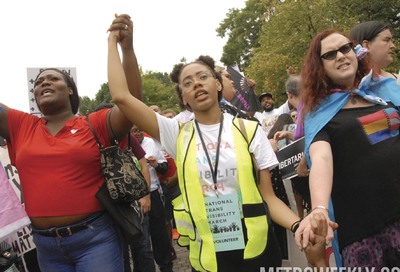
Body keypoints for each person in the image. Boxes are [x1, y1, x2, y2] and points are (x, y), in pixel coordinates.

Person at [107, 25, 301, 270]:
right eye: (187, 83)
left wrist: (298, 224)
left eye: (203, 77)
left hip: (256, 248)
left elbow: (268, 198)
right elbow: (122, 97)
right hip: (210, 254)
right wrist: (120, 45)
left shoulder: (248, 130)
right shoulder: (177, 133)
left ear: (218, 84)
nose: (196, 84)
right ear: (183, 97)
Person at [0, 14, 141, 272]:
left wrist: (127, 49)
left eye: (53, 79)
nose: (44, 83)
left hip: (95, 239)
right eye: (39, 82)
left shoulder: (95, 123)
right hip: (45, 247)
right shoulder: (21, 125)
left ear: (70, 90)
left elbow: (130, 100)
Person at [295, 29, 400, 269]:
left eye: (345, 48)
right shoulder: (320, 113)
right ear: (319, 66)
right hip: (364, 232)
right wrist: (319, 207)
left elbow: (378, 141)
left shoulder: (381, 94)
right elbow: (321, 158)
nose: (341, 56)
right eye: (330, 54)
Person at [93, 102, 154, 272]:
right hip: (110, 207)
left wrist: (145, 195)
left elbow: (143, 164)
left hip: (134, 203)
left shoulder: (127, 136)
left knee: (142, 248)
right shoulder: (92, 140)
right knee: (119, 252)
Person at [131, 125, 173, 272]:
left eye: (139, 130)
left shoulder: (150, 143)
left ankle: (166, 266)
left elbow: (164, 167)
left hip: (154, 193)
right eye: (133, 131)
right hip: (134, 199)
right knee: (141, 241)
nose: (138, 134)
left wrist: (155, 165)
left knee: (160, 234)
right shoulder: (123, 145)